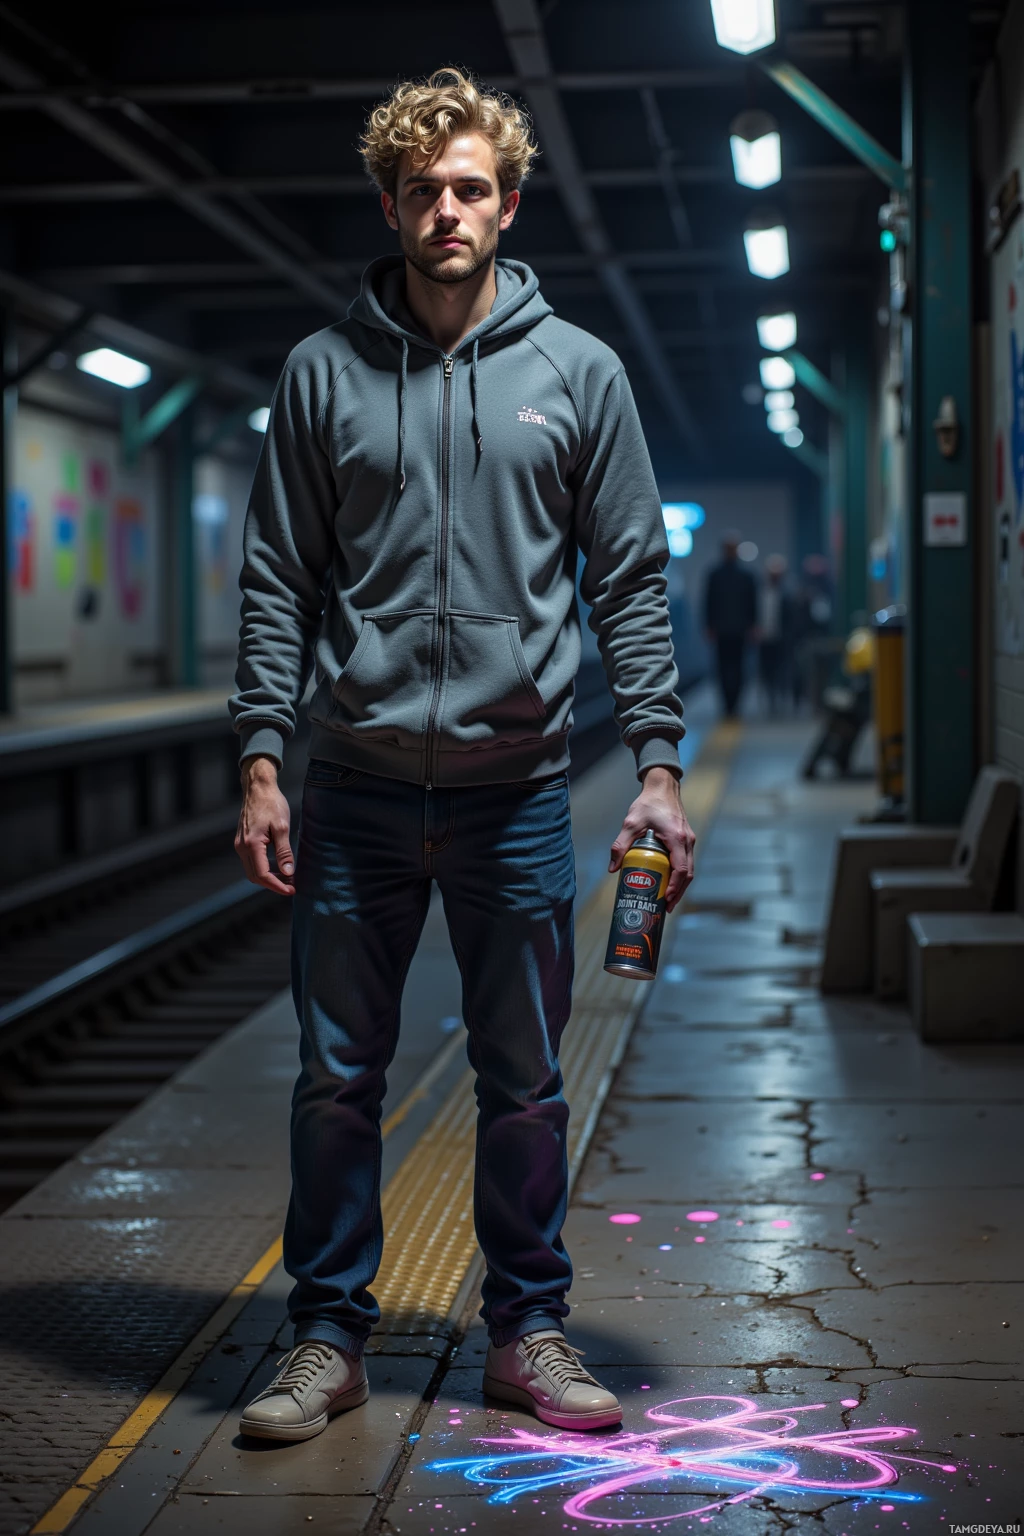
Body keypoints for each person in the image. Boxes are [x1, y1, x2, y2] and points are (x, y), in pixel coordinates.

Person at [230, 68, 696, 1443]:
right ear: (390, 203)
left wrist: (660, 766)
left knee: (527, 1083)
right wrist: (263, 758)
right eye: (425, 188)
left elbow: (630, 582)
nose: (448, 209)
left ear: (508, 204)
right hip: (358, 791)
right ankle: (324, 1341)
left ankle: (528, 1333)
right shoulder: (322, 375)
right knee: (335, 1082)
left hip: (520, 801)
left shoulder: (582, 375)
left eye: (472, 187)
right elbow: (276, 581)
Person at [702, 531, 757, 717]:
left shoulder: (741, 576)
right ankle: (728, 705)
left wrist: (753, 626)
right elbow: (708, 603)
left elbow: (752, 604)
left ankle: (733, 705)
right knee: (725, 669)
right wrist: (709, 626)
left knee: (736, 668)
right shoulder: (719, 575)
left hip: (736, 631)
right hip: (725, 631)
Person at [758, 553, 795, 716]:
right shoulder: (761, 593)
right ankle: (770, 700)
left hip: (782, 640)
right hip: (764, 639)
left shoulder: (787, 594)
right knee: (767, 672)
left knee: (782, 672)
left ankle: (782, 701)